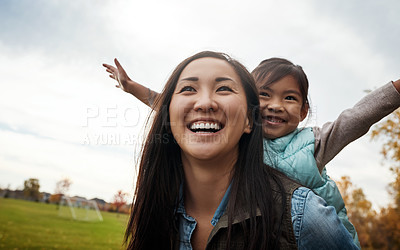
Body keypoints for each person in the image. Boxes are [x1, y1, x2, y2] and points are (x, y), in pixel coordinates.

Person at [104, 56, 400, 248]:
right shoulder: (234, 141)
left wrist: (396, 90)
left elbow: (357, 117)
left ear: (304, 110)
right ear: (249, 106)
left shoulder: (314, 144)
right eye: (264, 95)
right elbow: (177, 110)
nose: (275, 105)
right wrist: (132, 88)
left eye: (289, 98)